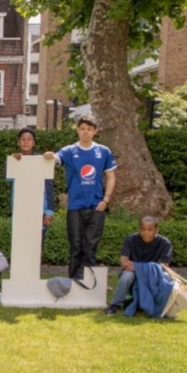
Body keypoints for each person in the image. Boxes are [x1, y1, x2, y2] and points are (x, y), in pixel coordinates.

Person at [43, 114, 117, 280]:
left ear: (95, 131)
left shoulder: (103, 151)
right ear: (78, 130)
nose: (85, 132)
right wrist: (50, 155)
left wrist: (106, 200)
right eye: (82, 129)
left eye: (89, 129)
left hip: (96, 206)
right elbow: (56, 158)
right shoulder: (70, 150)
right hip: (75, 206)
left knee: (90, 245)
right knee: (76, 245)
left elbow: (111, 176)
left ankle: (90, 284)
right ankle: (74, 282)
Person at [104, 215, 173, 315]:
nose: (146, 232)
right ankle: (115, 304)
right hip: (132, 271)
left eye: (150, 229)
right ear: (139, 229)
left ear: (157, 229)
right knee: (126, 276)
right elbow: (124, 261)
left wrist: (138, 267)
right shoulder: (131, 239)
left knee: (167, 278)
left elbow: (165, 266)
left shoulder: (165, 243)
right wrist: (137, 268)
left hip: (152, 274)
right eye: (143, 229)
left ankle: (161, 305)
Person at [12, 128, 54, 243]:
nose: (26, 142)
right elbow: (8, 178)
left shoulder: (42, 161)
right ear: (18, 142)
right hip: (20, 210)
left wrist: (49, 212)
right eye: (23, 139)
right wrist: (13, 162)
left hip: (39, 210)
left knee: (36, 246)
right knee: (20, 245)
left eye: (29, 139)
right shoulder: (14, 160)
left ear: (34, 142)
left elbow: (49, 188)